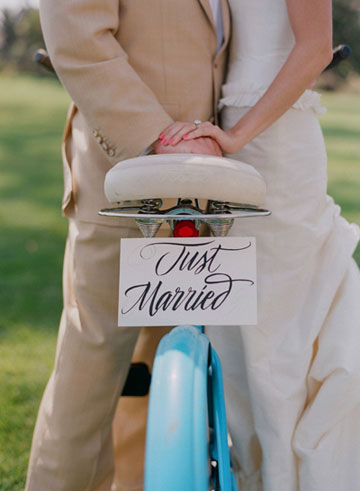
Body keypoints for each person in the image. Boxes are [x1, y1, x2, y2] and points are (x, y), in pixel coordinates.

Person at [25, 1, 230, 490]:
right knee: (90, 375)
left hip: (203, 185)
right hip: (121, 177)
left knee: (161, 371)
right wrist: (155, 136)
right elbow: (76, 33)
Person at [161, 0, 360, 489]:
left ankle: (286, 477)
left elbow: (315, 47)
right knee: (237, 322)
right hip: (229, 135)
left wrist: (236, 136)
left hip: (275, 141)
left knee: (278, 330)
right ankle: (250, 474)